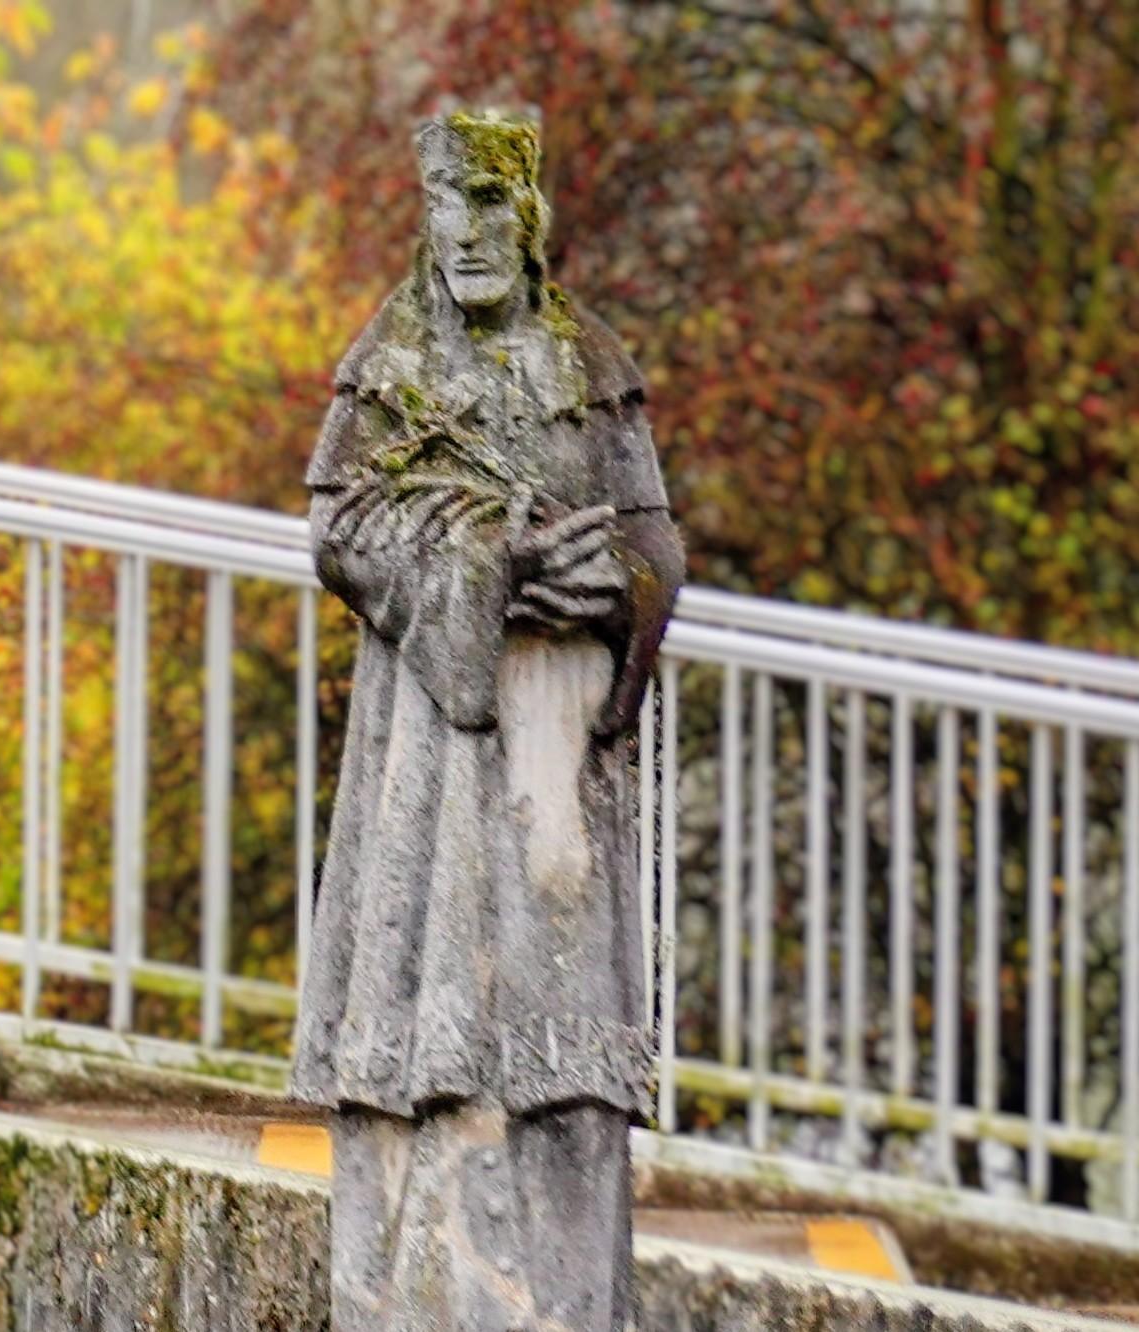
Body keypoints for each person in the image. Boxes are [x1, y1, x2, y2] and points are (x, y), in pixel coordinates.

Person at [289, 108, 685, 1331]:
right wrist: (479, 567)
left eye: (490, 204)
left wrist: (618, 592)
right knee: (428, 1047)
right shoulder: (395, 359)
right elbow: (337, 530)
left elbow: (654, 539)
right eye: (448, 204)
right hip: (430, 769)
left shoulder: (588, 364)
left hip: (560, 764)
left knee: (562, 1063)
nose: (466, 231)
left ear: (531, 220)